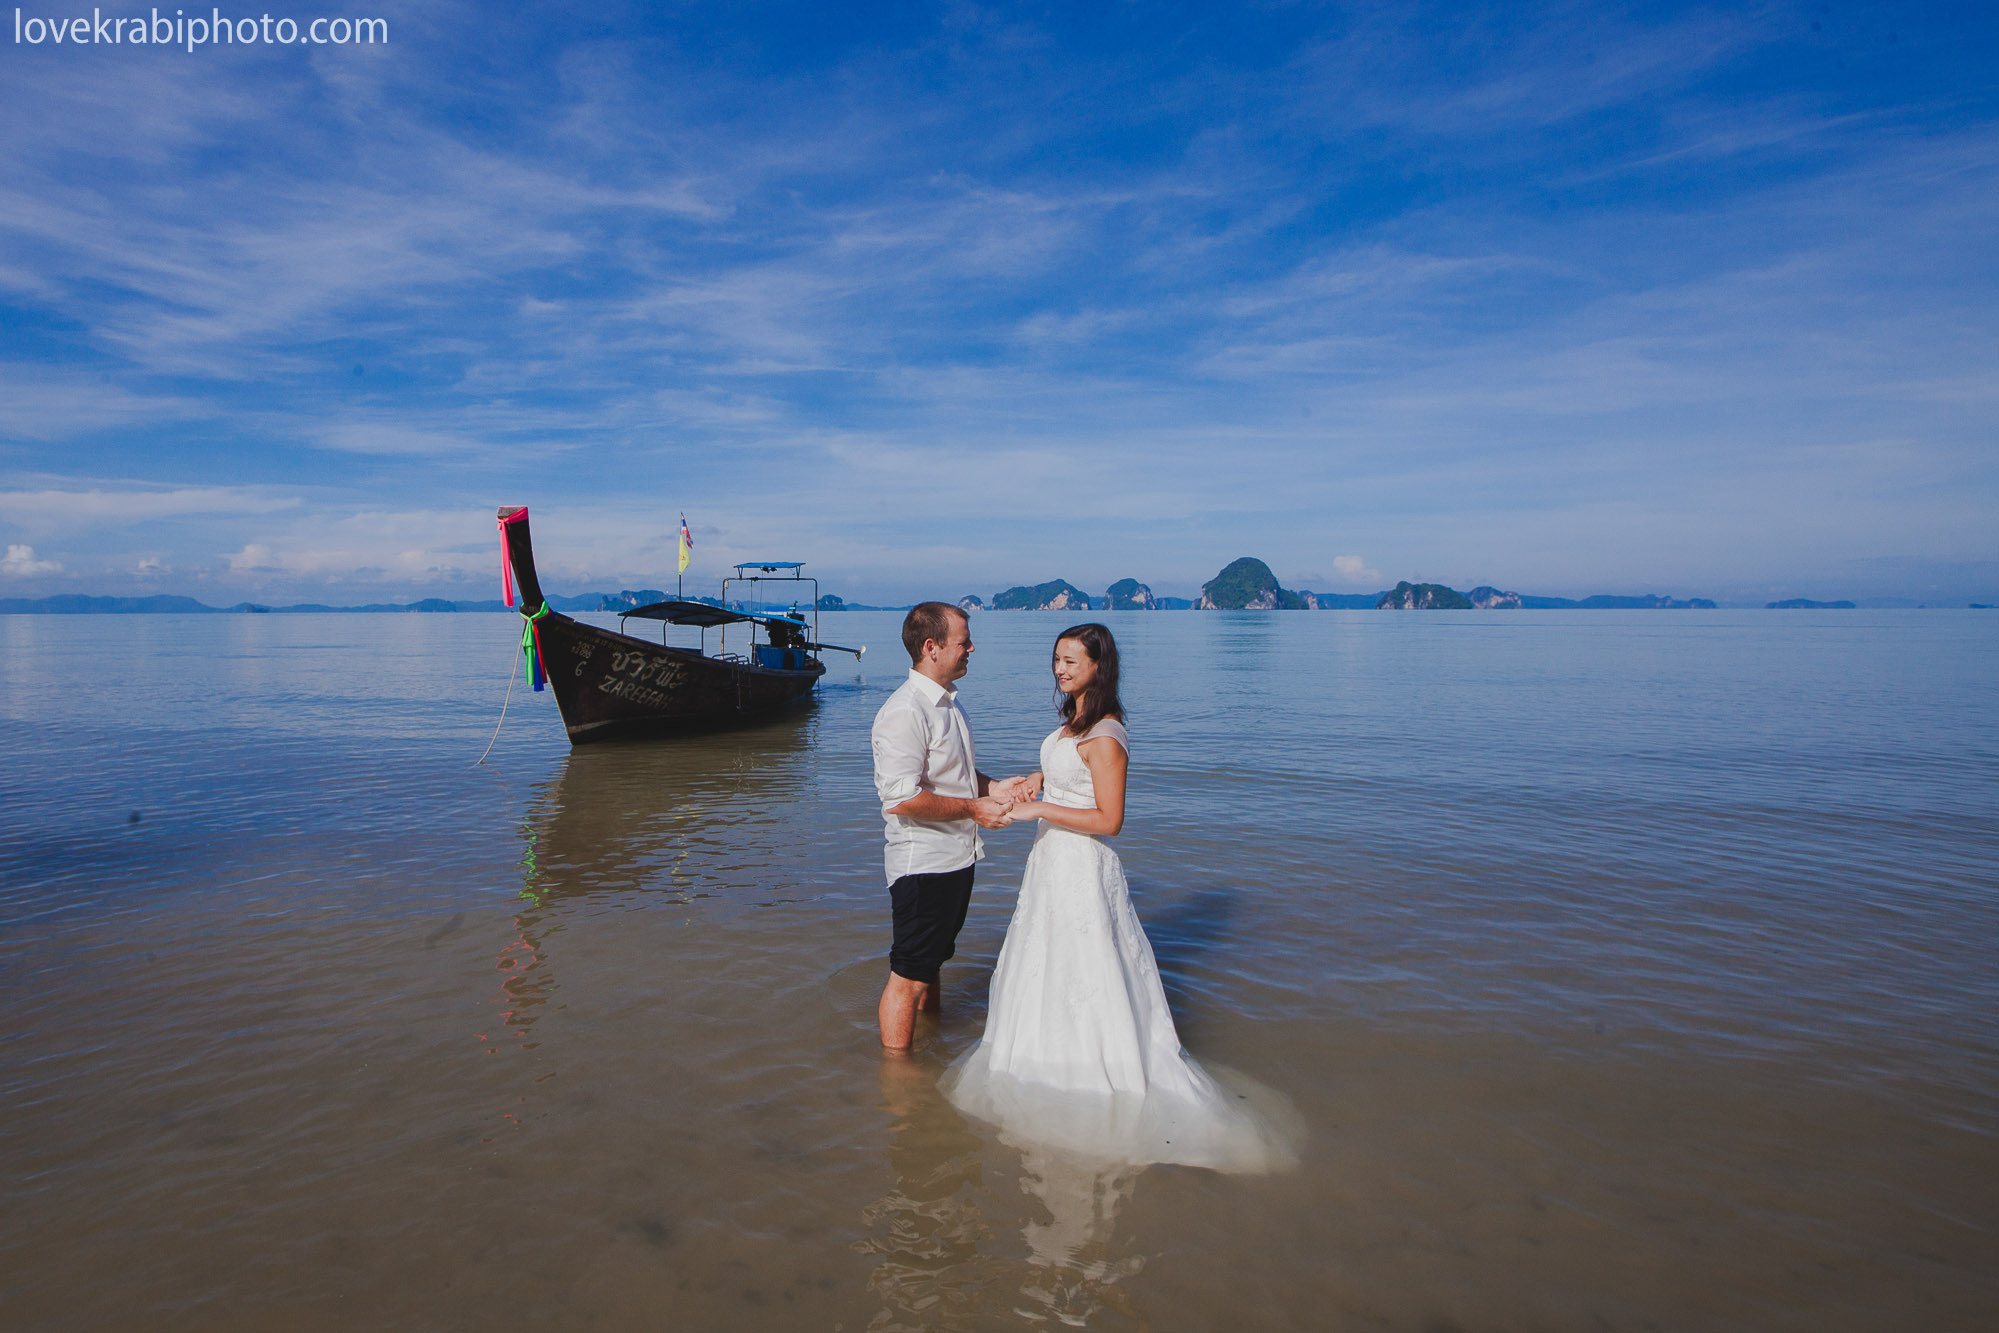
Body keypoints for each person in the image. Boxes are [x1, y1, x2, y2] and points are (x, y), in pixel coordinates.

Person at [940, 623, 1294, 1171]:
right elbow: (1072, 774)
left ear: (1099, 668)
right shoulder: (1076, 721)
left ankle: (1091, 1077)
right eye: (1056, 659)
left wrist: (1039, 809)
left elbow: (1111, 820)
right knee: (1045, 960)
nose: (1060, 670)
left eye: (1071, 662)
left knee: (1088, 962)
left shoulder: (1106, 732)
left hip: (1081, 863)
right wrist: (1040, 780)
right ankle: (1037, 1059)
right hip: (1051, 864)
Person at [871, 602, 1032, 1050]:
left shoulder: (949, 705)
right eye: (963, 641)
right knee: (909, 974)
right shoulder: (905, 711)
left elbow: (955, 775)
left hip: (956, 857)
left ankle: (932, 1041)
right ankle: (899, 1079)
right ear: (932, 647)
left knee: (932, 964)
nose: (971, 648)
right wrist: (973, 810)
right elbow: (901, 798)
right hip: (921, 863)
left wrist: (994, 788)